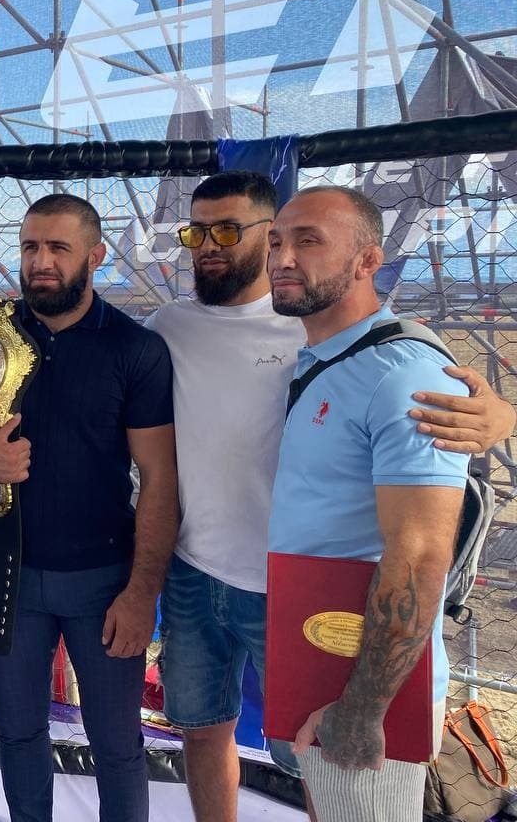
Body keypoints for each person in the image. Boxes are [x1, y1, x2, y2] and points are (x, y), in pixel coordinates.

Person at [146, 170, 515, 822]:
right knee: (215, 732)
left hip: (309, 598)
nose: (208, 245)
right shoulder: (184, 328)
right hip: (197, 571)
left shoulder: (344, 337)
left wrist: (501, 416)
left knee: (320, 761)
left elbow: (418, 544)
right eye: (195, 232)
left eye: (228, 231)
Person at [0, 194, 178, 822]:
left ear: (96, 256)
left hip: (104, 581)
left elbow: (160, 479)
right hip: (7, 573)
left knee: (117, 744)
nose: (41, 261)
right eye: (30, 247)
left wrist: (142, 594)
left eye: (58, 248)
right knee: (17, 733)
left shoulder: (134, 349)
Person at [268, 187, 470, 821]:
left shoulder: (402, 374)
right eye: (276, 241)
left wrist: (364, 709)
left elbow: (420, 554)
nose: (283, 258)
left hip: (365, 683)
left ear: (367, 261)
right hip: (318, 650)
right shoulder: (322, 358)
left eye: (309, 241)